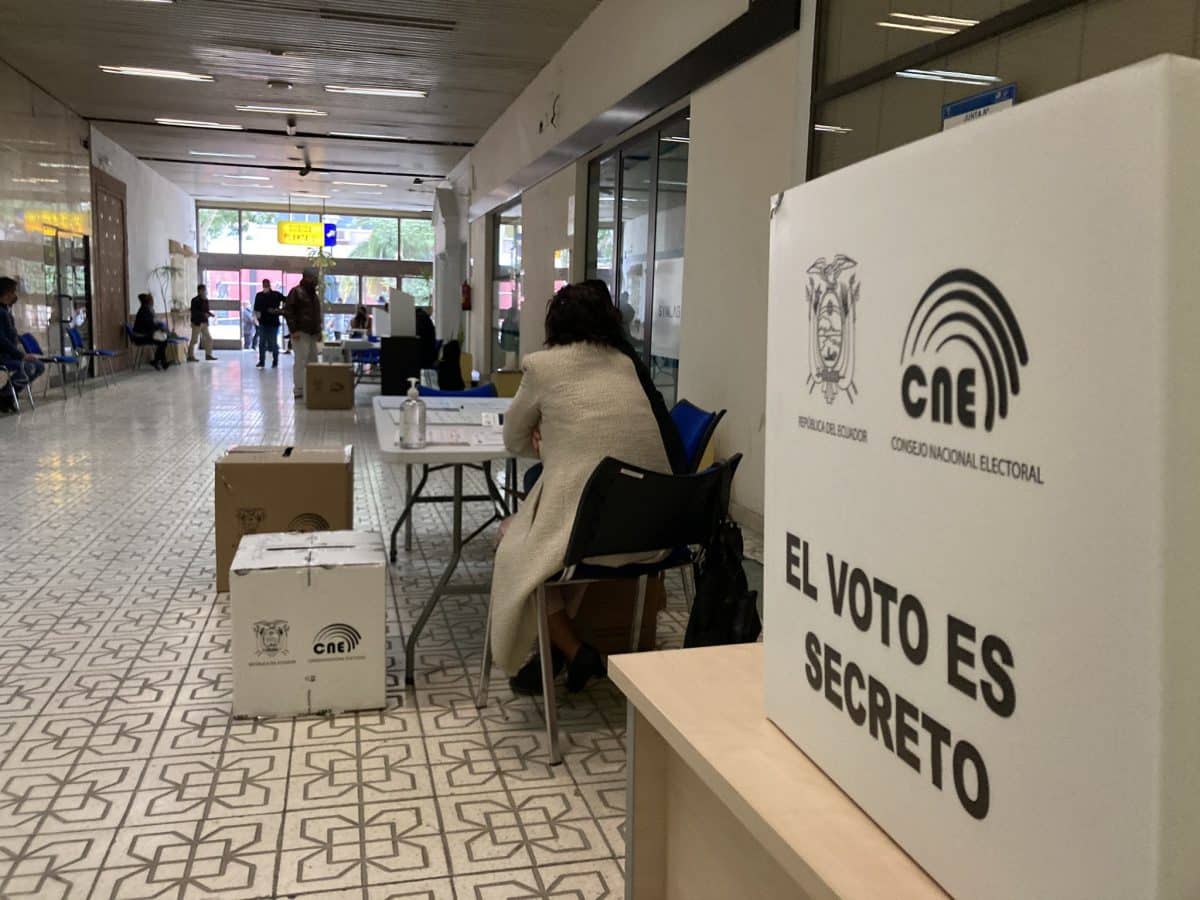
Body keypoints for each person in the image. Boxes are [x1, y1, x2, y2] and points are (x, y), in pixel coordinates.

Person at [489, 281, 684, 697]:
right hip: (653, 533)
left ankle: (572, 649)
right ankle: (563, 652)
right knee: (564, 549)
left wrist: (544, 439)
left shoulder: (543, 367)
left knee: (518, 543)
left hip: (593, 538)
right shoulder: (625, 364)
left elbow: (513, 440)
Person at [0, 277, 44, 411]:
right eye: (13, 292)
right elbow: (1, 340)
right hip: (3, 356)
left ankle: (7, 394)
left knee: (39, 366)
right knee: (29, 367)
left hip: (10, 355)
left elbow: (12, 335)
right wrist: (21, 355)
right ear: (6, 293)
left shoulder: (5, 310)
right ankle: (5, 395)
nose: (14, 295)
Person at [283, 267, 322, 399]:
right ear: (306, 277)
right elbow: (288, 312)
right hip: (300, 332)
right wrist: (293, 330)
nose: (316, 280)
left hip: (312, 333)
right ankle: (298, 389)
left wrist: (319, 330)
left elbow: (316, 314)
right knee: (300, 361)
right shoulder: (296, 292)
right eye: (314, 277)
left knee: (313, 361)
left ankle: (311, 387)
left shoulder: (313, 295)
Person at [131, 292, 171, 370]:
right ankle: (158, 361)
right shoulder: (144, 310)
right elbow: (150, 324)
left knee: (163, 341)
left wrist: (160, 327)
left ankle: (159, 362)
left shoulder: (146, 309)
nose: (153, 302)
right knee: (163, 341)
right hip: (140, 337)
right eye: (152, 300)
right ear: (148, 301)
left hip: (145, 334)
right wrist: (160, 328)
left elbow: (152, 323)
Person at [253, 278, 285, 369]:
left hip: (272, 323)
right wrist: (257, 320)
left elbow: (286, 300)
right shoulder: (260, 296)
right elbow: (256, 309)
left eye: (266, 285)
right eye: (265, 285)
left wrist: (280, 311)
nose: (265, 286)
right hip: (264, 323)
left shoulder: (275, 295)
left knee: (272, 343)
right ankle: (263, 361)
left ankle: (274, 361)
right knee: (263, 343)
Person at [187, 284, 217, 362]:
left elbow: (206, 310)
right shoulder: (194, 300)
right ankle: (190, 356)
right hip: (197, 323)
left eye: (205, 290)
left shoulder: (206, 300)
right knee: (194, 340)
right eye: (203, 290)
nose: (205, 292)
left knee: (209, 338)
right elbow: (194, 312)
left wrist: (210, 314)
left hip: (204, 323)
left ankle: (208, 355)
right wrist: (204, 314)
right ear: (199, 291)